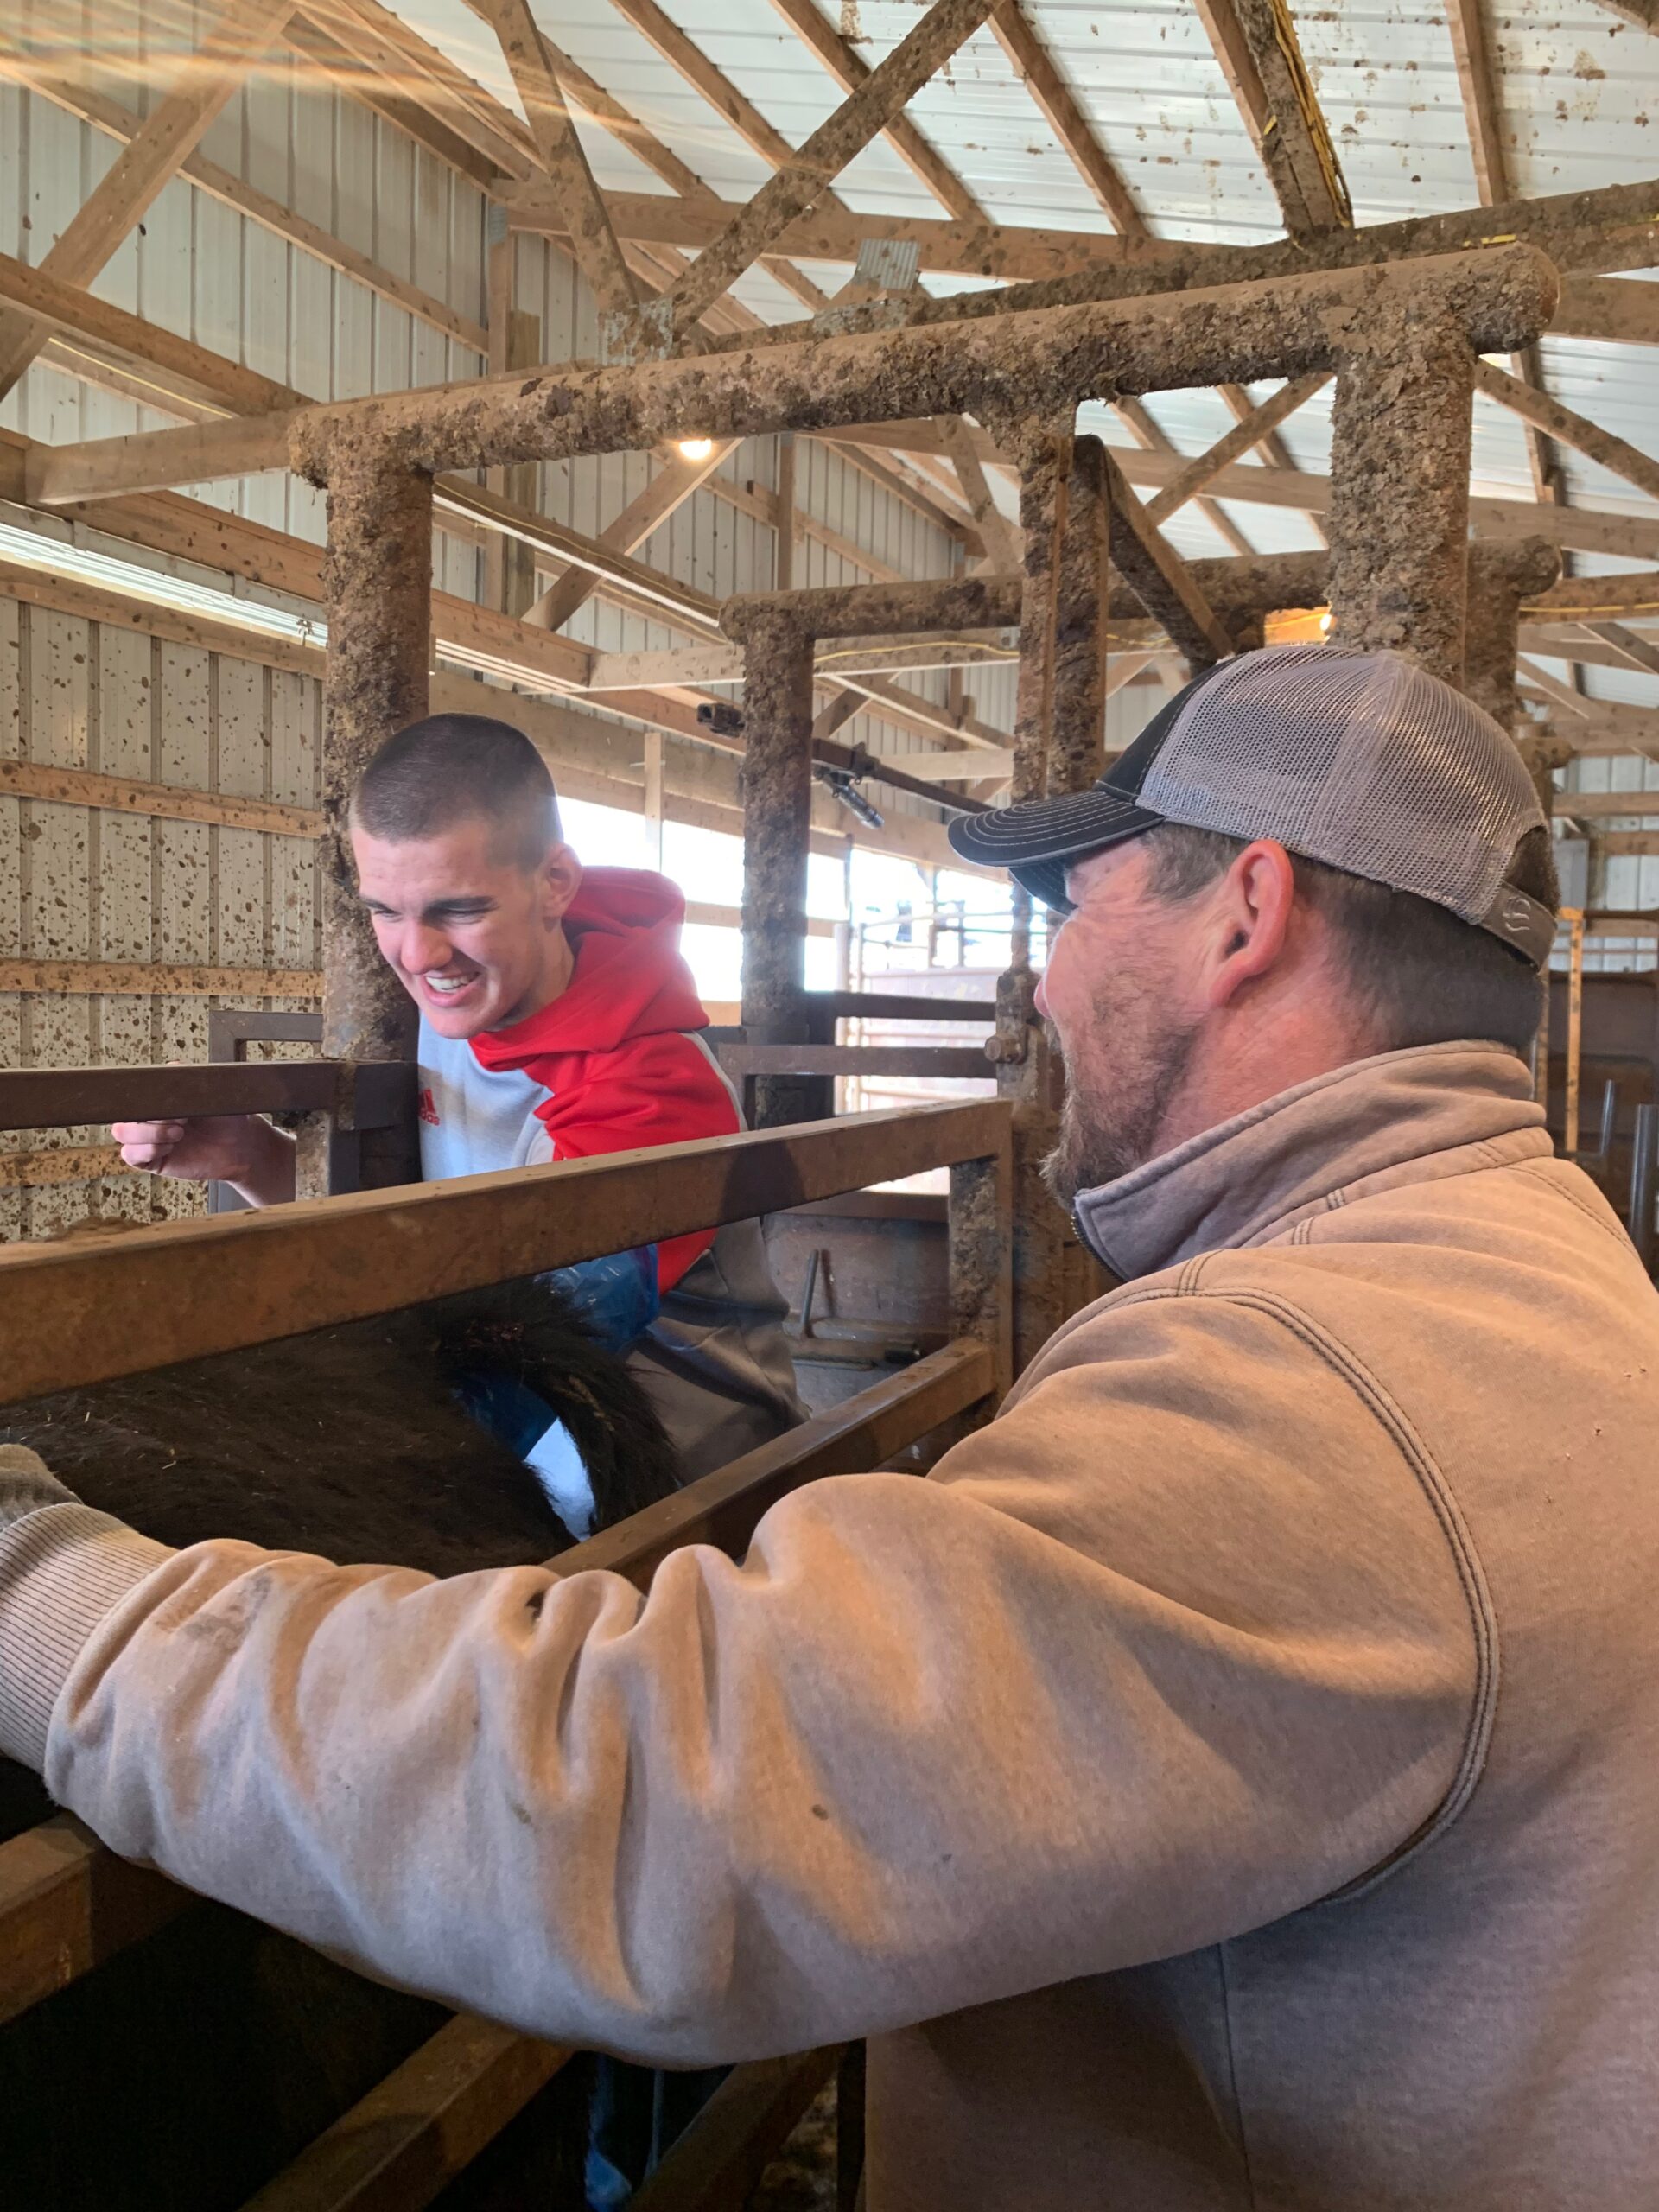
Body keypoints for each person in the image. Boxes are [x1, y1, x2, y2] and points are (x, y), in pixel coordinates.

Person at [7, 644, 1659, 2211]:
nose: (1050, 972)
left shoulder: (1309, 1408)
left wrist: (45, 1600)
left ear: (1247, 912)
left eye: (1072, 904)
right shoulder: (1545, 1274)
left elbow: (657, 1811)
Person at [111, 713, 806, 1526]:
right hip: (516, 1461)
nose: (417, 955)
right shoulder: (421, 1015)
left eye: (460, 909)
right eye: (387, 912)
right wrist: (257, 1161)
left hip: (683, 1493)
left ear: (555, 883)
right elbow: (408, 1250)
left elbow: (527, 1352)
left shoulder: (649, 1088)